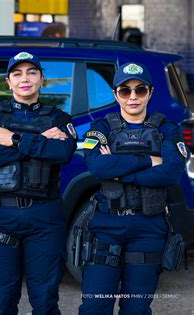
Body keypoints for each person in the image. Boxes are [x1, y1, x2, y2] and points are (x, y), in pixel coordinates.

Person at [0, 52, 77, 314]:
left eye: (32, 72)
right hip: (0, 217)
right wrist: (42, 141)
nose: (25, 79)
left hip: (45, 218)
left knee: (44, 300)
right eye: (17, 74)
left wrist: (16, 139)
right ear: (8, 82)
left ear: (42, 79)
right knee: (3, 300)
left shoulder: (59, 119)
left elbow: (62, 153)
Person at [79, 62, 188, 314]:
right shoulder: (101, 128)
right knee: (95, 306)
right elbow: (98, 168)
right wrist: (149, 160)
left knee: (136, 309)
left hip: (148, 230)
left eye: (140, 90)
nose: (133, 97)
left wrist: (122, 174)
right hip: (107, 226)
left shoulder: (167, 129)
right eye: (125, 91)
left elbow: (171, 172)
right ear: (115, 94)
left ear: (150, 92)